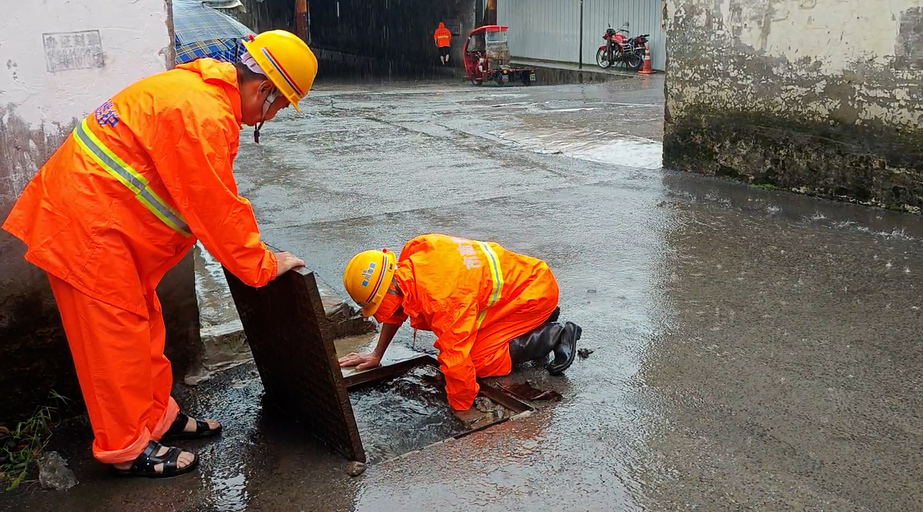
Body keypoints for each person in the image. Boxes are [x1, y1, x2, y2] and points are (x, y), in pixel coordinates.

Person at [1, 30, 318, 479]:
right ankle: (127, 448)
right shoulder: (204, 114)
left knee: (143, 325)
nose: (275, 115)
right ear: (265, 89)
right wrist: (262, 264)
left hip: (100, 224)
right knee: (115, 343)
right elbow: (215, 205)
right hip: (87, 231)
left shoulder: (200, 93)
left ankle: (156, 419)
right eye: (281, 105)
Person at [339, 234, 582, 414]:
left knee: (477, 362)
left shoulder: (443, 298)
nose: (382, 314)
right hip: (523, 285)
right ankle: (533, 322)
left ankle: (554, 334)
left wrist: (461, 411)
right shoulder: (412, 262)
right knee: (468, 347)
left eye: (380, 306)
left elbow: (457, 362)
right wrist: (376, 354)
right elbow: (398, 308)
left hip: (533, 295)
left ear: (390, 288)